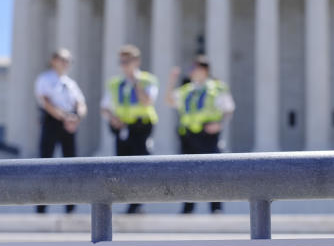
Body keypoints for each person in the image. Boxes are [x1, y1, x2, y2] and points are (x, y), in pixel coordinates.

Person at [166, 55, 235, 214]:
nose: (191, 72)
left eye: (194, 68)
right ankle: (188, 208)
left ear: (204, 70)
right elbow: (170, 101)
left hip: (207, 134)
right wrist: (171, 81)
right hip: (189, 135)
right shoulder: (187, 90)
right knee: (187, 173)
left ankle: (216, 208)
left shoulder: (217, 88)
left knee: (212, 172)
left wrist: (219, 125)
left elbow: (228, 108)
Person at [100, 44, 158, 214]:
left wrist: (136, 82)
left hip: (141, 127)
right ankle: (130, 203)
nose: (124, 65)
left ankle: (138, 203)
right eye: (122, 61)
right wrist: (113, 119)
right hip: (122, 128)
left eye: (128, 61)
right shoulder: (115, 83)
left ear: (137, 61)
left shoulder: (147, 80)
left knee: (140, 165)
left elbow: (147, 101)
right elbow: (105, 107)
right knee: (123, 165)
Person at [34, 48, 86, 213]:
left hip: (70, 124)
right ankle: (42, 206)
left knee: (71, 165)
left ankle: (70, 205)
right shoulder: (45, 79)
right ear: (53, 60)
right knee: (45, 164)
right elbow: (46, 101)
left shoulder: (71, 84)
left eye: (68, 60)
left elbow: (81, 103)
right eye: (62, 59)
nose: (65, 63)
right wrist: (65, 118)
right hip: (52, 123)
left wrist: (76, 117)